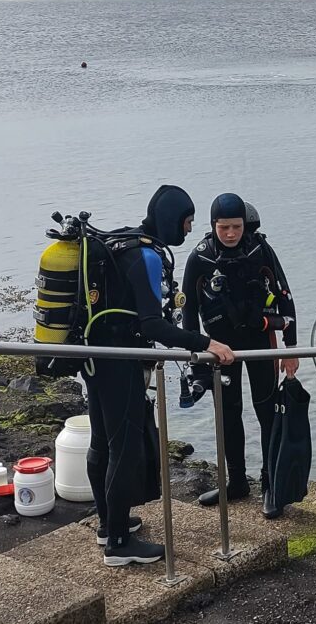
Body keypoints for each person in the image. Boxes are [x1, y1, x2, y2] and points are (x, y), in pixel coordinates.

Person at [85, 185, 234, 567]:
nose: (189, 230)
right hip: (120, 362)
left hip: (94, 358)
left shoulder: (125, 243)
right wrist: (205, 342)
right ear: (171, 220)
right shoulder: (147, 256)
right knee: (125, 449)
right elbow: (152, 325)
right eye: (187, 222)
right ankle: (118, 545)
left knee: (102, 442)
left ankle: (109, 524)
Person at [182, 193, 299, 517]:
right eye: (224, 228)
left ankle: (270, 485)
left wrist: (291, 349)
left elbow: (285, 297)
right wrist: (198, 352)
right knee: (228, 414)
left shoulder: (260, 250)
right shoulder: (200, 258)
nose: (231, 233)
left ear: (245, 224)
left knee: (267, 412)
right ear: (213, 225)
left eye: (236, 227)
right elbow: (189, 311)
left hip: (260, 341)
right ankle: (236, 482)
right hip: (221, 349)